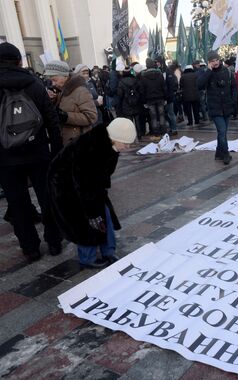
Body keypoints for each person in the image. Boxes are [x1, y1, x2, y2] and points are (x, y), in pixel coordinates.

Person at [0, 42, 63, 262]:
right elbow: (52, 121)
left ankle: (30, 247)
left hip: (6, 159)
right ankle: (54, 241)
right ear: (19, 61)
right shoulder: (35, 84)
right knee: (48, 198)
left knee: (17, 204)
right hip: (38, 153)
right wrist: (56, 151)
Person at [48, 118, 136, 268]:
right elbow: (84, 186)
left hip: (87, 184)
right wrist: (93, 213)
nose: (127, 147)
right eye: (125, 143)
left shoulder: (110, 143)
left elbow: (102, 174)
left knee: (105, 215)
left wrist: (101, 191)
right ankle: (87, 258)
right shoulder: (91, 149)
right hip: (65, 185)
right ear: (114, 137)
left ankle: (108, 251)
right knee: (85, 220)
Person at [197, 50, 237, 165]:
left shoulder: (227, 71)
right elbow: (199, 85)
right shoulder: (206, 72)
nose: (215, 63)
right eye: (212, 61)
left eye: (216, 60)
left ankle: (218, 154)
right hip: (215, 108)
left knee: (222, 132)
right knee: (222, 130)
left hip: (226, 106)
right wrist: (209, 71)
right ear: (209, 62)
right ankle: (226, 154)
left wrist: (233, 100)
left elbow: (234, 86)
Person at [44, 60, 98, 145]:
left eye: (55, 80)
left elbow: (92, 117)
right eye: (51, 81)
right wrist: (54, 99)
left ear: (64, 76)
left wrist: (66, 116)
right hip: (67, 140)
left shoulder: (80, 90)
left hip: (79, 142)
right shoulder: (62, 89)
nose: (53, 84)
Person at [140, 58, 167, 140]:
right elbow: (164, 87)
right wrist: (165, 98)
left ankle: (156, 133)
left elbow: (142, 90)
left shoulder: (143, 76)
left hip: (150, 99)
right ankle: (163, 131)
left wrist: (144, 101)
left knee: (153, 117)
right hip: (160, 97)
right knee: (162, 115)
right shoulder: (159, 74)